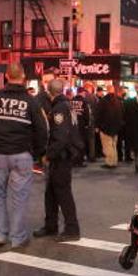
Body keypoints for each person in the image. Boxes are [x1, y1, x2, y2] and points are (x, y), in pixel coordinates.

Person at [0, 63, 48, 248]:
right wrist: (39, 153)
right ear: (23, 77)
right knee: (20, 197)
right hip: (21, 153)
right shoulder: (31, 101)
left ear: (7, 76)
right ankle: (18, 237)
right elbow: (42, 130)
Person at [33, 78, 84, 241]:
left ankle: (71, 228)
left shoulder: (59, 109)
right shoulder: (68, 105)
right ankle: (51, 225)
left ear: (49, 92)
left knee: (62, 193)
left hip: (61, 157)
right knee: (52, 193)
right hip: (64, 155)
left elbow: (60, 137)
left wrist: (49, 155)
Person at [95, 85, 123, 169]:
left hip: (105, 127)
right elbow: (121, 114)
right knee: (114, 145)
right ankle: (114, 161)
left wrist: (97, 125)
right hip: (116, 127)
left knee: (107, 146)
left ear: (107, 90)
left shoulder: (103, 100)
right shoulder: (118, 101)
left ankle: (109, 162)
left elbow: (98, 114)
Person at [71, 87, 93, 167]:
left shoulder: (72, 100)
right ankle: (80, 161)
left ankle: (74, 160)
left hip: (73, 125)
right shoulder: (84, 101)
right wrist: (87, 124)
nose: (85, 94)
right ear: (82, 92)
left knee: (74, 143)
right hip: (82, 125)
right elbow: (87, 114)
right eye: (84, 92)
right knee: (81, 143)